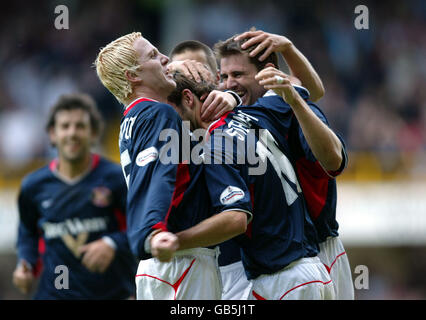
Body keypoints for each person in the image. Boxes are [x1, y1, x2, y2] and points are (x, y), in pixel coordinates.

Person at [94, 32, 249, 300]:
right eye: (154, 55)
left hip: (165, 265)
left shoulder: (133, 118)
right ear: (133, 76)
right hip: (180, 262)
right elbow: (156, 176)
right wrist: (153, 231)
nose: (166, 58)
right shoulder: (159, 113)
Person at [167, 70, 336, 300]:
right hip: (315, 273)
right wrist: (233, 97)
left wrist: (175, 242)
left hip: (282, 280)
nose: (164, 123)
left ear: (188, 99)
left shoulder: (216, 148)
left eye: (168, 112)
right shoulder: (255, 113)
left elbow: (236, 219)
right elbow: (303, 86)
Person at [215, 29, 354, 299]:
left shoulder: (292, 108)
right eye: (224, 77)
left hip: (314, 254)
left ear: (266, 73)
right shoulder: (242, 120)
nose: (229, 84)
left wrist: (288, 50)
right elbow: (314, 88)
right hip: (276, 264)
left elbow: (334, 161)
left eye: (238, 75)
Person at [13, 93, 137, 299]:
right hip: (54, 295)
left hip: (112, 294)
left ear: (94, 133)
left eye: (80, 126)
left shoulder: (117, 178)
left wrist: (112, 243)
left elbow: (140, 226)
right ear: (53, 134)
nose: (72, 133)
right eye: (65, 126)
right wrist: (25, 263)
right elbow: (27, 233)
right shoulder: (33, 186)